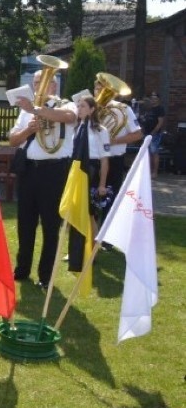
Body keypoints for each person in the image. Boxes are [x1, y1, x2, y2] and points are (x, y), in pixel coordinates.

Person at [8, 69, 76, 288]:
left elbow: (69, 117)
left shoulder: (66, 103)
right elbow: (12, 140)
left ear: (54, 87)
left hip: (54, 171)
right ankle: (22, 269)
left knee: (50, 225)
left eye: (43, 82)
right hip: (29, 170)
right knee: (25, 223)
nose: (38, 86)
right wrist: (28, 130)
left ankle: (46, 276)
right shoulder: (26, 111)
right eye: (36, 82)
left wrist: (37, 109)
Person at [67, 96, 110, 272]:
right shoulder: (74, 127)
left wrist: (102, 184)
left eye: (83, 106)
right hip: (74, 170)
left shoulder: (100, 130)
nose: (79, 108)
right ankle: (75, 251)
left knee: (90, 214)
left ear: (92, 109)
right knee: (74, 212)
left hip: (91, 170)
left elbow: (105, 160)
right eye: (78, 106)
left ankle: (91, 252)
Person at [94, 80, 141, 229]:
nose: (99, 92)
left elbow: (138, 134)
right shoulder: (90, 108)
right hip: (93, 159)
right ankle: (90, 233)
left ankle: (107, 236)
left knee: (110, 197)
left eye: (103, 89)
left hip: (114, 159)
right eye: (97, 88)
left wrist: (112, 141)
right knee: (89, 197)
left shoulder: (123, 109)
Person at [139, 92, 165, 178]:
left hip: (155, 134)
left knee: (154, 152)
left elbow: (160, 123)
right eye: (152, 99)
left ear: (158, 100)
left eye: (155, 99)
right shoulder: (148, 108)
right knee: (147, 153)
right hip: (146, 133)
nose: (153, 100)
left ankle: (155, 172)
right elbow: (144, 120)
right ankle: (147, 171)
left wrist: (153, 133)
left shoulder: (160, 109)